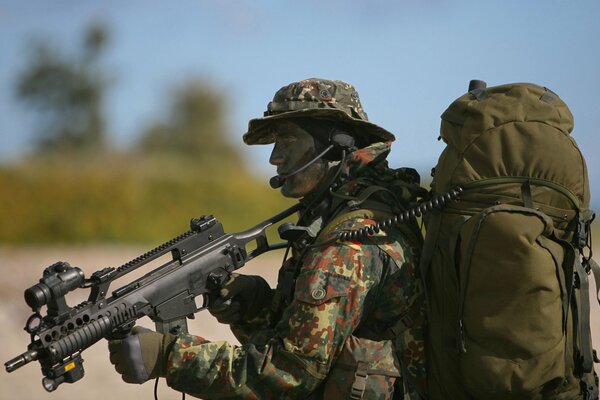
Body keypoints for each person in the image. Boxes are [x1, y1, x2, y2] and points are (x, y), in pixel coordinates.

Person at [108, 78, 427, 399]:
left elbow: (289, 373)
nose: (274, 157)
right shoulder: (368, 206)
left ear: (337, 144)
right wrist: (256, 306)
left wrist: (169, 356)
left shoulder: (349, 240)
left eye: (288, 139)